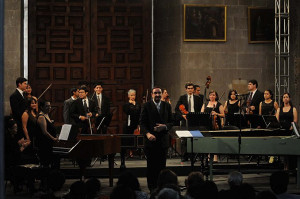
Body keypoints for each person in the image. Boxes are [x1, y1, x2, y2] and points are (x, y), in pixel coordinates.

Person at [140, 86, 173, 192]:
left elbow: (172, 122)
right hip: (150, 141)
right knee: (151, 166)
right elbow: (142, 123)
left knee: (162, 166)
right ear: (152, 94)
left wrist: (165, 126)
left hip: (163, 141)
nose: (158, 95)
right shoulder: (146, 106)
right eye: (155, 93)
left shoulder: (167, 105)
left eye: (159, 93)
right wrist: (148, 134)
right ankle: (152, 188)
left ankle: (162, 187)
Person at [37, 101, 59, 168]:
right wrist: (53, 138)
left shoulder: (46, 115)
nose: (49, 107)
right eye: (47, 106)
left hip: (49, 143)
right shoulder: (41, 117)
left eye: (50, 106)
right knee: (46, 162)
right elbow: (45, 132)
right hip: (45, 144)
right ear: (41, 107)